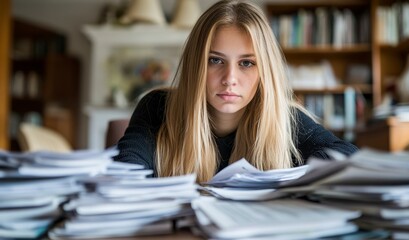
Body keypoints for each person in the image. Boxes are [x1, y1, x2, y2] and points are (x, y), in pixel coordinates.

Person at [115, 0, 358, 182]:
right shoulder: (158, 107)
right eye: (215, 60)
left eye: (246, 63)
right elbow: (125, 174)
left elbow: (349, 158)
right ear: (195, 65)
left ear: (265, 71)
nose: (230, 79)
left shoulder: (285, 119)